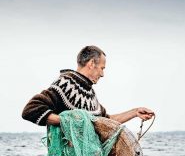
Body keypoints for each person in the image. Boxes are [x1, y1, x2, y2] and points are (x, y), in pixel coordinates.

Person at [22, 45, 154, 127]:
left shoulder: (89, 92)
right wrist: (70, 122)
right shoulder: (66, 83)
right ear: (91, 63)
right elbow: (31, 110)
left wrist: (135, 112)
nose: (102, 74)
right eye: (102, 68)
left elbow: (105, 121)